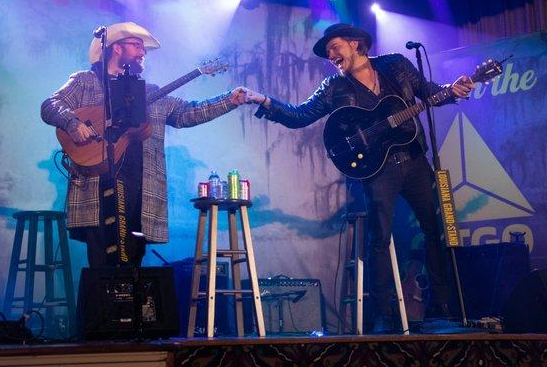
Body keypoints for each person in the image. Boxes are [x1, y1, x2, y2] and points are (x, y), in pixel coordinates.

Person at [243, 23, 475, 334]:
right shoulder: (333, 87)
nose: (332, 56)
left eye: (335, 48)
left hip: (416, 161)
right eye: (328, 54)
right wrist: (264, 102)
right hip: (378, 169)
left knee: (436, 230)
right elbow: (299, 116)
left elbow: (430, 92)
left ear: (355, 44)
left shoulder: (396, 65)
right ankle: (383, 315)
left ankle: (445, 307)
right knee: (378, 239)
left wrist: (454, 90)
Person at [41, 22, 248, 267]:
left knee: (133, 260)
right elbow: (51, 105)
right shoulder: (85, 81)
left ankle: (129, 305)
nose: (143, 52)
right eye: (136, 45)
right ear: (116, 48)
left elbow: (187, 113)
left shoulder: (151, 93)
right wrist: (73, 124)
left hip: (140, 187)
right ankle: (101, 306)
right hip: (97, 187)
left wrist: (230, 100)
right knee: (101, 261)